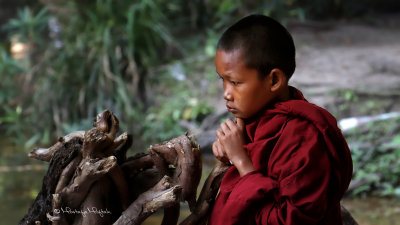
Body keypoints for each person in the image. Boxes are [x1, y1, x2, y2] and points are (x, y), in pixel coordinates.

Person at [209, 14, 353, 225]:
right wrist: (228, 153)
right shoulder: (253, 118)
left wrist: (241, 161)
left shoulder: (305, 138)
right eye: (223, 80)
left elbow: (291, 220)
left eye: (236, 82)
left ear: (274, 80)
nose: (226, 93)